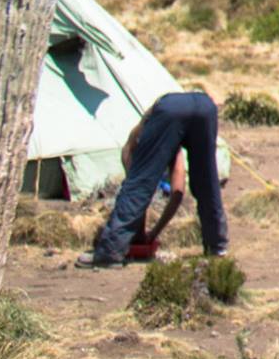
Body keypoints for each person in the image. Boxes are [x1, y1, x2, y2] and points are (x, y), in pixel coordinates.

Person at [78, 90, 227, 267]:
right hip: (205, 106)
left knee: (138, 185)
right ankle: (217, 246)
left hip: (170, 108)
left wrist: (153, 232)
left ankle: (110, 252)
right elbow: (176, 192)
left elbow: (160, 191)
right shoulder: (151, 138)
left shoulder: (145, 138)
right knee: (206, 180)